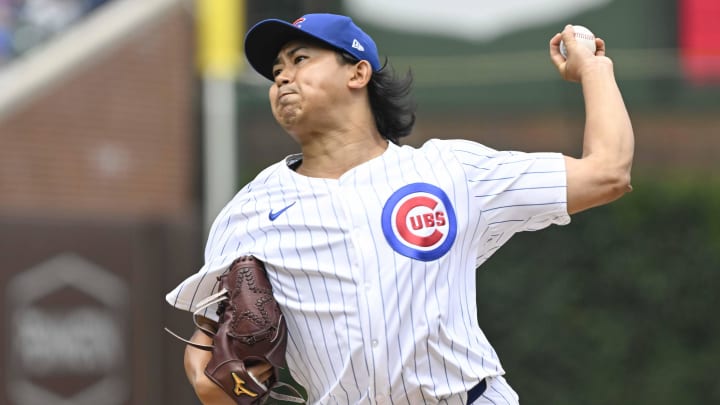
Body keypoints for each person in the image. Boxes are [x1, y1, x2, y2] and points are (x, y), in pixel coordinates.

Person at [166, 13, 634, 405]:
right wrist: (221, 381)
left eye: (300, 59)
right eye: (276, 70)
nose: (283, 76)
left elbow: (607, 173)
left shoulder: (450, 172)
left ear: (357, 73)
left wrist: (595, 70)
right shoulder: (248, 212)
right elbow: (207, 365)